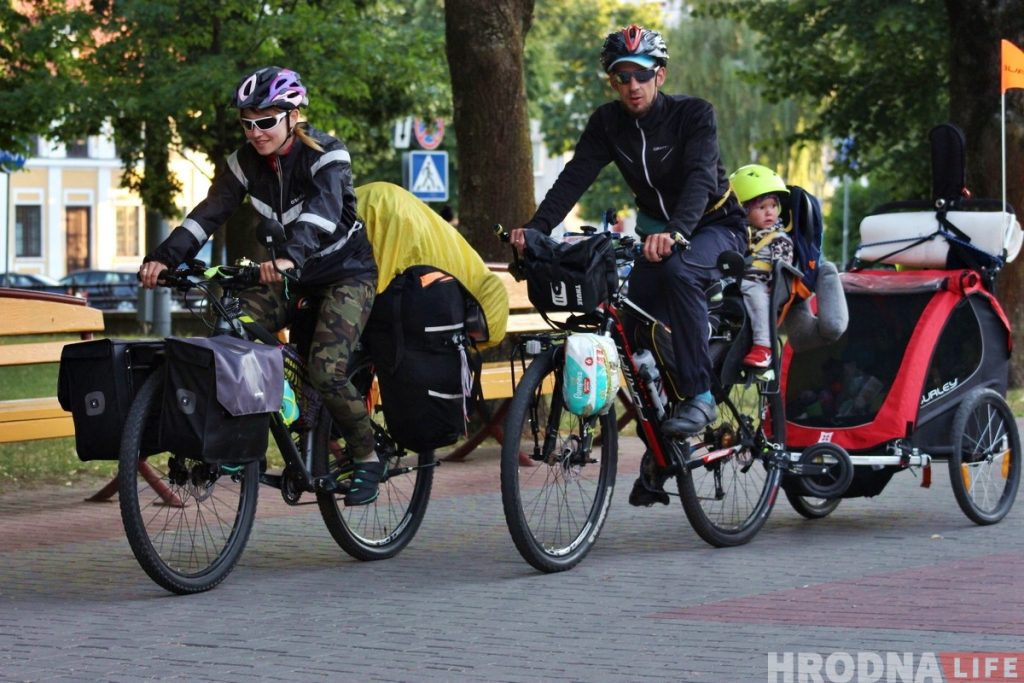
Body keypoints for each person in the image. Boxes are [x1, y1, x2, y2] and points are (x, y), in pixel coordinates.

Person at [138, 66, 383, 506]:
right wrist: (164, 257)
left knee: (327, 370)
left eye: (266, 121)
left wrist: (292, 256)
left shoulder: (328, 155)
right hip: (287, 276)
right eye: (247, 122)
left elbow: (322, 214)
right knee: (230, 328)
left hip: (346, 274)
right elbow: (208, 214)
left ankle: (366, 457)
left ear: (293, 116)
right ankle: (238, 436)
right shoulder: (243, 163)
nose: (255, 132)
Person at [510, 24, 747, 440]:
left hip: (714, 224)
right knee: (630, 316)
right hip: (660, 234)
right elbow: (574, 178)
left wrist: (675, 232)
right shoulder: (607, 123)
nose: (632, 85)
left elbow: (699, 180)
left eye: (641, 74)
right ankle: (661, 447)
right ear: (613, 81)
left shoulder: (693, 115)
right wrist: (536, 228)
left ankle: (700, 395)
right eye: (622, 77)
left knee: (680, 273)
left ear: (660, 75)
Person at [728, 164, 794, 368]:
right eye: (761, 207)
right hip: (738, 281)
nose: (769, 212)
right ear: (745, 211)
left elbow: (783, 263)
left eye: (773, 206)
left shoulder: (778, 237)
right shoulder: (742, 235)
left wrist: (776, 283)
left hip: (765, 285)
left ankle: (763, 347)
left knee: (754, 294)